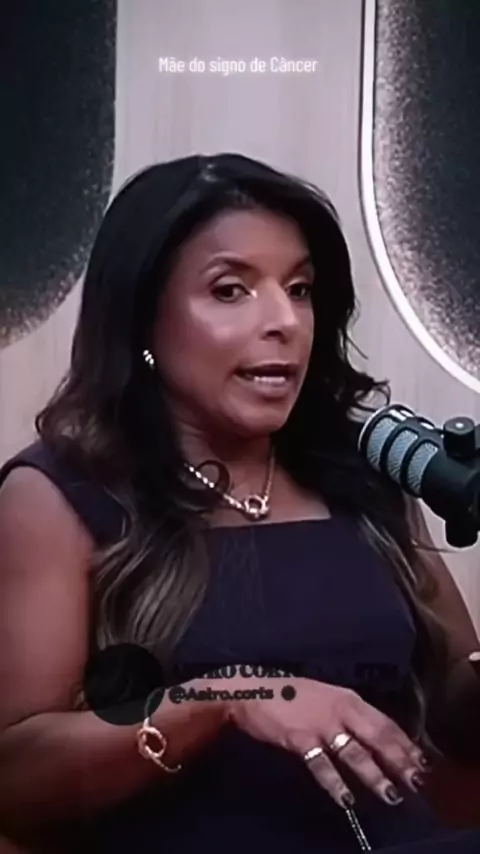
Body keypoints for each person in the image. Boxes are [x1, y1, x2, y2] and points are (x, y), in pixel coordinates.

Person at [0, 152, 479, 854]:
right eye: (231, 290)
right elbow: (15, 780)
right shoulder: (56, 498)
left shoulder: (363, 479)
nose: (285, 320)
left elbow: (455, 714)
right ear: (142, 319)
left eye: (301, 289)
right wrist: (224, 698)